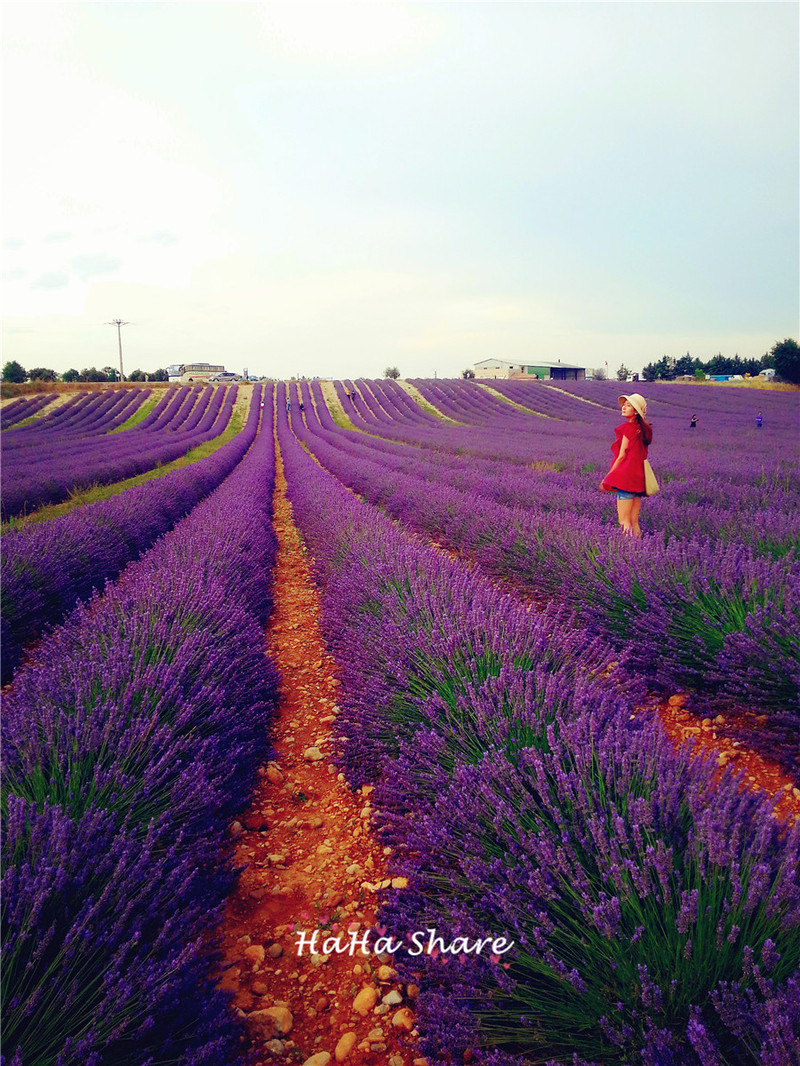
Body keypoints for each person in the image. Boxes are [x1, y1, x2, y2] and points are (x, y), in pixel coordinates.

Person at [600, 393, 653, 538]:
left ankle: (630, 554)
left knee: (624, 521)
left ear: (636, 411)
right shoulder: (643, 429)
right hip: (638, 479)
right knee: (634, 521)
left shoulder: (628, 428)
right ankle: (640, 550)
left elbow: (622, 455)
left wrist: (607, 478)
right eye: (624, 404)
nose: (624, 407)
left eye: (628, 405)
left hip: (626, 480)